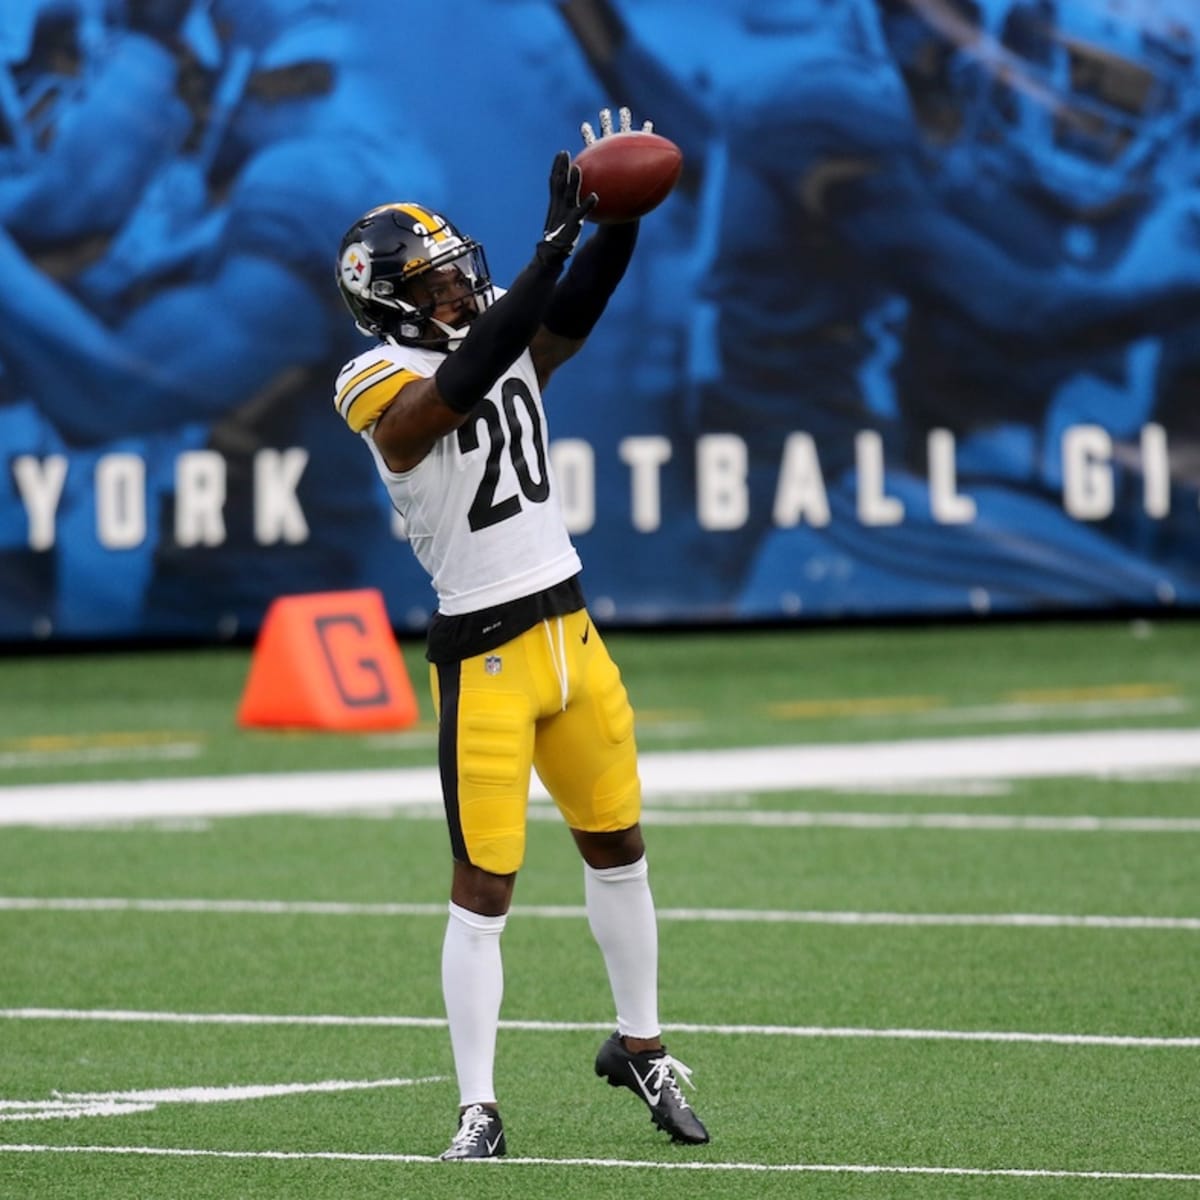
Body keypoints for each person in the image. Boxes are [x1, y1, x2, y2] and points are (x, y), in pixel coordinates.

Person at [331, 110, 710, 1160]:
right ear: (386, 302)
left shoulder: (495, 321)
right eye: (436, 281)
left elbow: (566, 313)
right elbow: (453, 393)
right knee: (485, 885)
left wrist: (616, 221)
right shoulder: (373, 382)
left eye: (462, 271)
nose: (459, 288)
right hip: (486, 654)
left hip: (572, 632)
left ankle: (641, 1045)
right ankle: (479, 1108)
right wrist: (552, 244)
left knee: (620, 847)